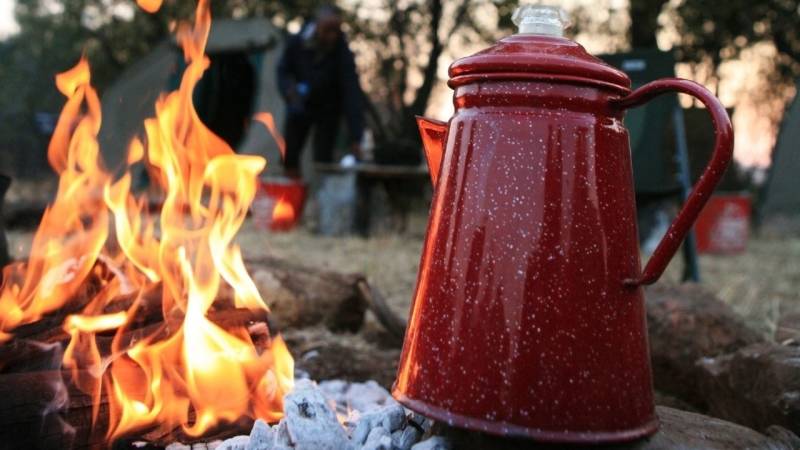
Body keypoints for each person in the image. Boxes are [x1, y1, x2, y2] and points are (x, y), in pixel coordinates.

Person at [277, 5, 364, 178]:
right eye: (327, 31)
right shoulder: (297, 42)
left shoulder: (342, 51)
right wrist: (289, 90)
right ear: (316, 26)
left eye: (335, 31)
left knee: (323, 158)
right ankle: (291, 190)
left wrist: (356, 136)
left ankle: (320, 194)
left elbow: (351, 91)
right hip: (299, 104)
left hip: (328, 108)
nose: (331, 36)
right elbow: (283, 71)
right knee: (291, 151)